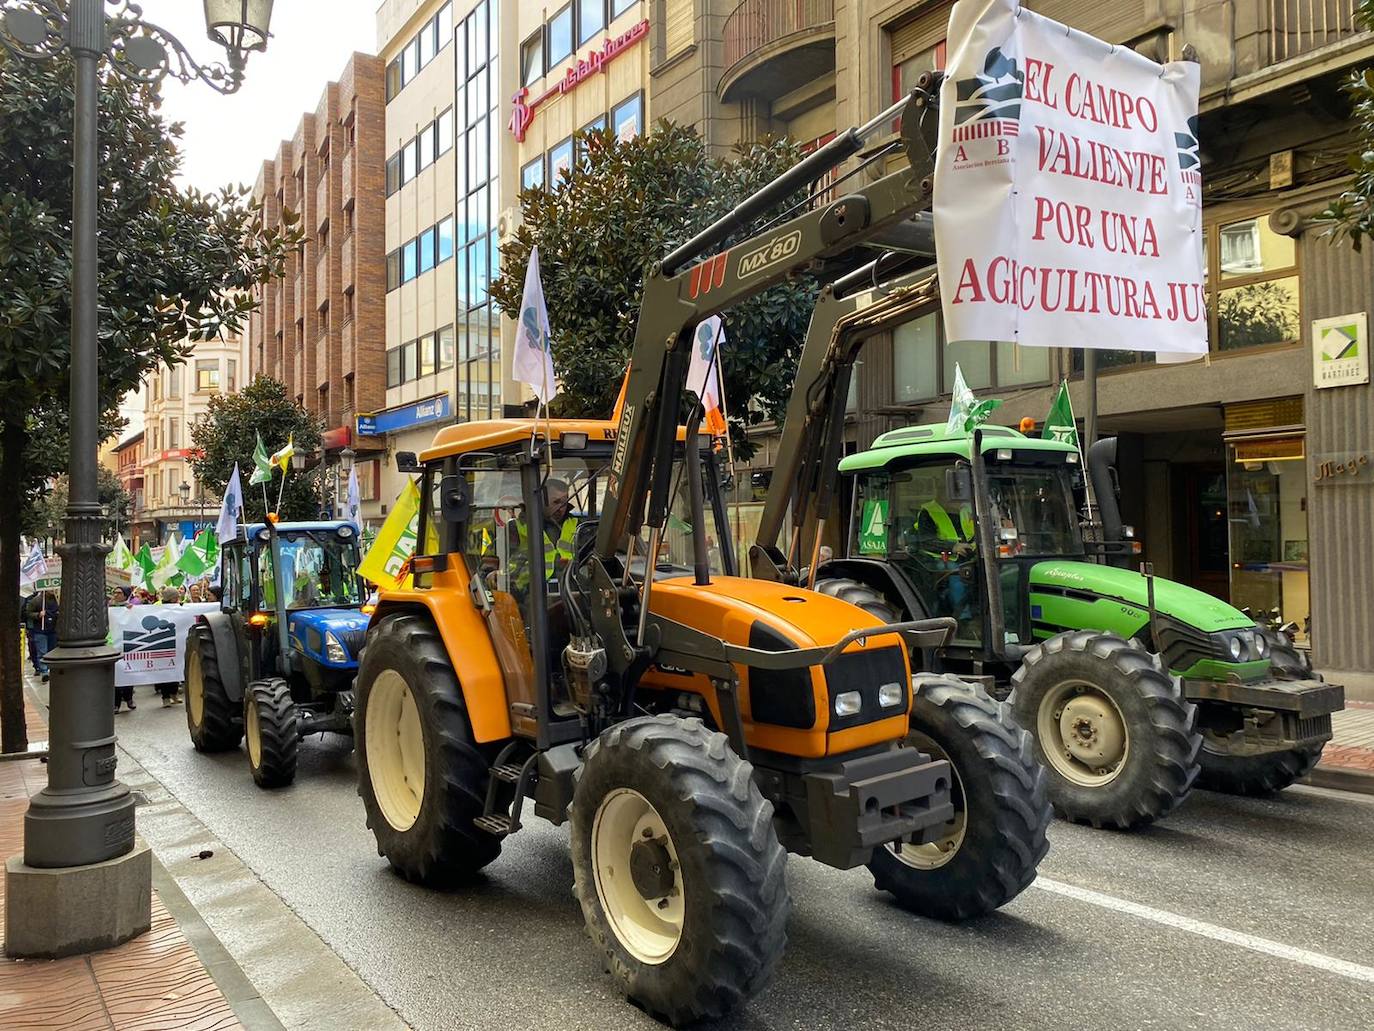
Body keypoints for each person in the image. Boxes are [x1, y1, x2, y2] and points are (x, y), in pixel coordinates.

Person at [510, 478, 579, 593]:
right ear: (541, 500)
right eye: (556, 502)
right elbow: (494, 564)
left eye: (565, 503)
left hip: (571, 594)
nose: (561, 508)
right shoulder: (517, 527)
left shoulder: (577, 525)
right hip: (528, 596)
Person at [153, 587, 183, 707]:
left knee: (175, 669)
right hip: (163, 642)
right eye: (176, 597)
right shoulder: (158, 608)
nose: (178, 599)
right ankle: (165, 697)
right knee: (165, 670)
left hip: (175, 642)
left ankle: (174, 694)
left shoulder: (179, 607)